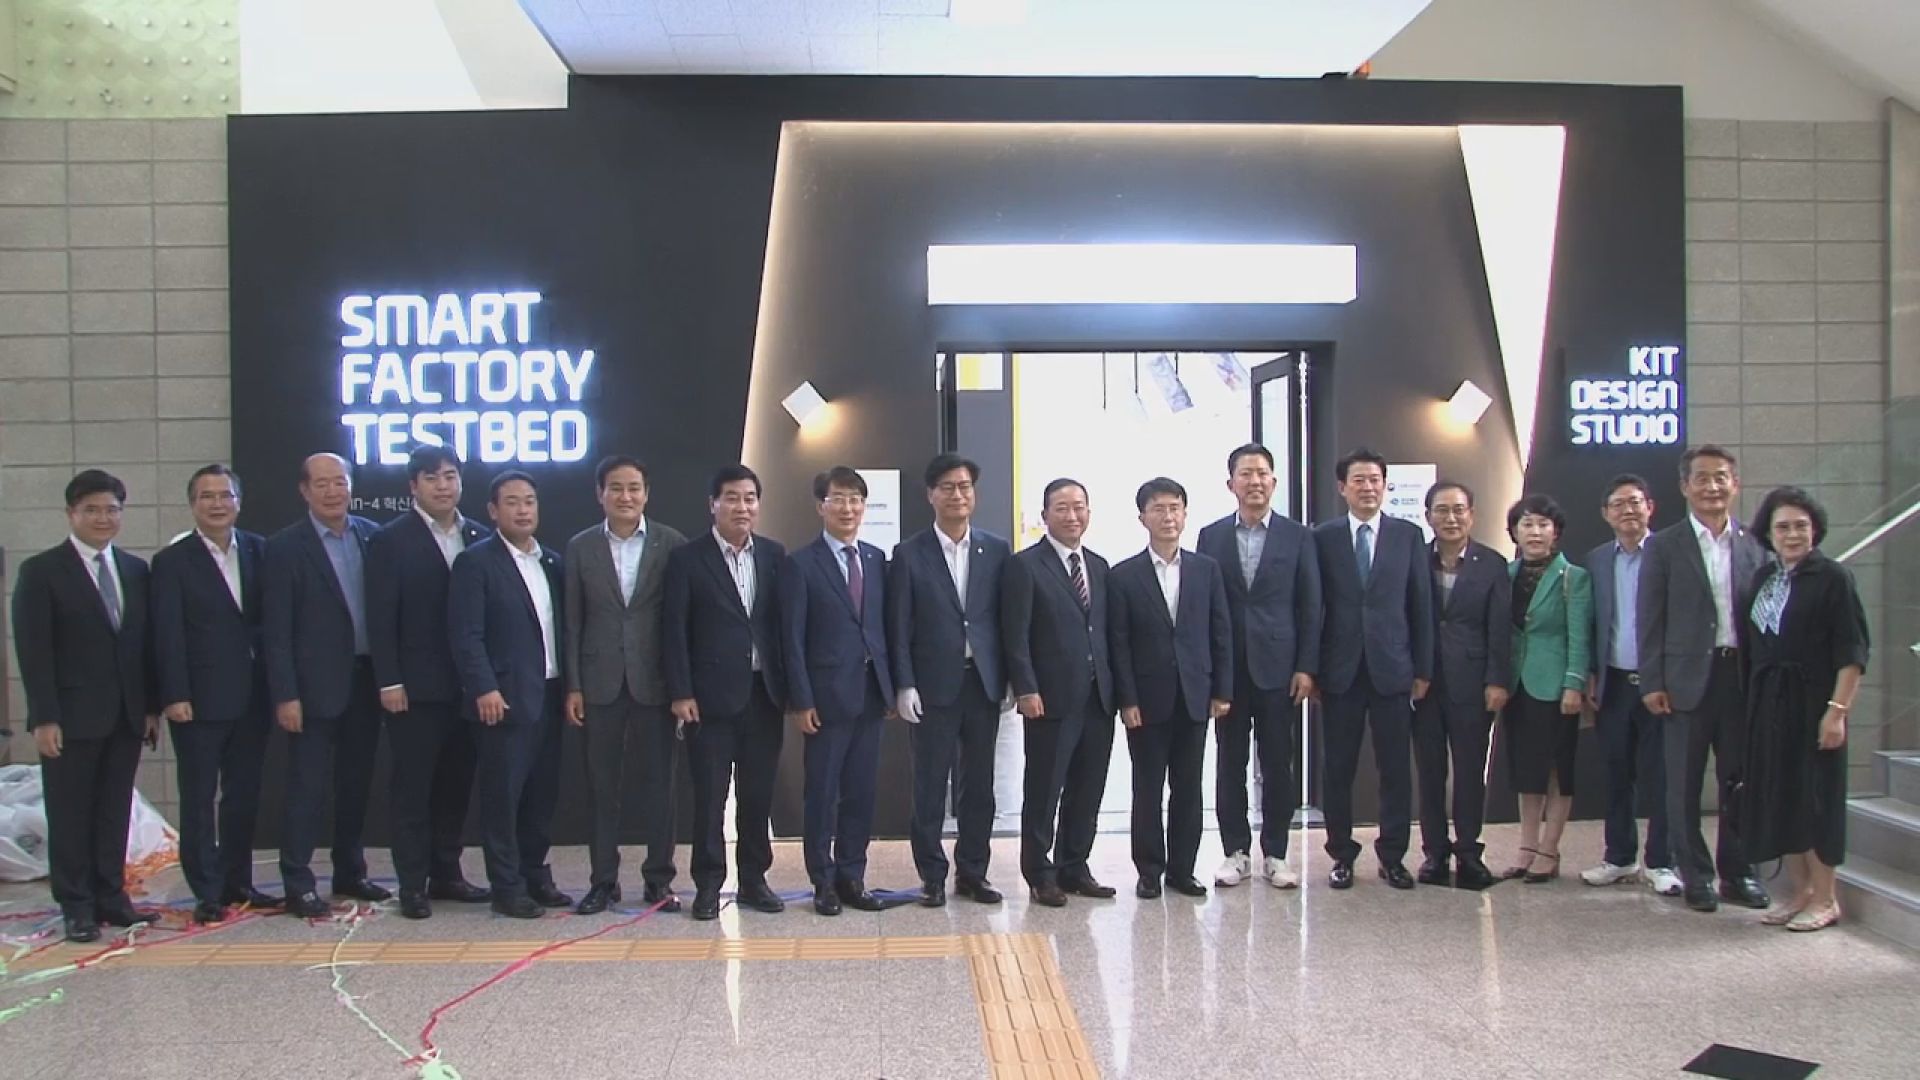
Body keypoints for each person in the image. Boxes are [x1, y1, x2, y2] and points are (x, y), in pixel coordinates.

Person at [11, 470, 157, 943]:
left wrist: (149, 707)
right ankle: (76, 905)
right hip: (70, 718)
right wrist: (44, 716)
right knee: (70, 813)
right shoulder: (42, 571)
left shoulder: (134, 570)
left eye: (111, 509)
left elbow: (143, 646)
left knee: (114, 810)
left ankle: (111, 896)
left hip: (126, 714)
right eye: (91, 509)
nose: (103, 518)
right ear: (71, 514)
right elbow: (34, 650)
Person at [1638, 445, 1771, 913]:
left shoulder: (1755, 544)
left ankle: (1739, 873)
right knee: (1683, 785)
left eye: (1721, 478)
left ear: (1735, 484)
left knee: (1740, 782)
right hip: (1684, 681)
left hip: (1741, 678)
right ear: (1684, 487)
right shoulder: (1664, 545)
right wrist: (1652, 680)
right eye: (1702, 478)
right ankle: (1696, 875)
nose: (1712, 487)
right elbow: (1649, 617)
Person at [365, 446, 491, 920]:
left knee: (456, 786)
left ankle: (447, 873)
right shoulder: (390, 540)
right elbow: (380, 618)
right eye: (433, 477)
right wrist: (389, 681)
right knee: (413, 789)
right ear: (413, 486)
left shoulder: (478, 535)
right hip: (414, 689)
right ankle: (412, 883)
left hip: (467, 688)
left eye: (451, 476)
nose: (443, 485)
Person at [150, 464, 280, 924]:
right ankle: (206, 890)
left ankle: (237, 882)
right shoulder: (172, 561)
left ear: (239, 502)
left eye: (226, 495)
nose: (218, 504)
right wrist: (174, 694)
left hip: (253, 697)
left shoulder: (260, 550)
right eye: (207, 496)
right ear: (193, 504)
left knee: (243, 795)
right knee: (199, 798)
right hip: (197, 701)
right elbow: (166, 634)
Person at [263, 453, 389, 918]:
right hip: (312, 689)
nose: (333, 491)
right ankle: (298, 882)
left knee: (355, 785)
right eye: (322, 483)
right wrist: (286, 694)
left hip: (366, 680)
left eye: (340, 482)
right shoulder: (284, 547)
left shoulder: (372, 536)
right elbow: (276, 630)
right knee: (307, 788)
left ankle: (350, 872)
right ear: (304, 490)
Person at [663, 465, 790, 920]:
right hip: (708, 699)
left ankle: (754, 880)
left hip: (763, 695)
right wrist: (680, 691)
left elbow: (782, 627)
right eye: (732, 498)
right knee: (710, 798)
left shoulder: (774, 555)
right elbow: (674, 630)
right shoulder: (687, 559)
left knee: (757, 796)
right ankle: (708, 884)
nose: (742, 507)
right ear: (713, 504)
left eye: (750, 498)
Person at [1740, 487, 1868, 933]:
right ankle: (1801, 892)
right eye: (1783, 527)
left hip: (1814, 703)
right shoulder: (1764, 577)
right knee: (1782, 797)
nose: (1792, 534)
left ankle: (1827, 897)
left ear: (1815, 531)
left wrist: (1837, 712)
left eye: (1801, 526)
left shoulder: (1833, 578)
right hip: (1769, 704)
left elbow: (1852, 652)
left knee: (1816, 800)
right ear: (1769, 533)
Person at [563, 456, 687, 916]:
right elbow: (572, 622)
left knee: (661, 786)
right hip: (599, 683)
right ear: (600, 494)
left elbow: (680, 621)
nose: (625, 496)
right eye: (615, 488)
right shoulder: (581, 547)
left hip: (655, 682)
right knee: (601, 787)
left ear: (646, 493)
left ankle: (659, 880)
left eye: (634, 488)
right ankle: (603, 881)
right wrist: (574, 686)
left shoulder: (671, 543)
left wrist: (681, 686)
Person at [887, 454, 1011, 907]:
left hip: (982, 684)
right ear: (931, 495)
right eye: (947, 487)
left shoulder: (996, 550)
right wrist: (904, 684)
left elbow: (1005, 620)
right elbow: (898, 625)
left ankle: (973, 872)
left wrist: (1010, 678)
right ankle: (932, 875)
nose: (957, 495)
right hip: (932, 686)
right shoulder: (909, 553)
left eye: (964, 487)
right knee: (929, 785)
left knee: (978, 787)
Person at [448, 471, 572, 919]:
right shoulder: (475, 562)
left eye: (530, 501)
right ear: (493, 511)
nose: (523, 510)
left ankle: (536, 875)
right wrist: (483, 686)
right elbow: (466, 634)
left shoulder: (552, 562)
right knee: (502, 798)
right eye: (513, 502)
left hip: (550, 694)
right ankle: (507, 886)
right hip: (502, 699)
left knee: (541, 796)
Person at [1197, 443, 1320, 890]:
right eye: (1245, 474)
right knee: (1229, 762)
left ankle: (1277, 853)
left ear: (1274, 481)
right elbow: (1204, 606)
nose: (1254, 481)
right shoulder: (1211, 536)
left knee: (1277, 763)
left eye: (1262, 473)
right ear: (1230, 483)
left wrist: (1306, 666)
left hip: (1279, 668)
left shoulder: (1298, 536)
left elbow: (1311, 604)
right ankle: (1236, 852)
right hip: (1228, 670)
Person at [1312, 449, 1433, 890]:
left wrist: (1423, 668)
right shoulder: (1322, 537)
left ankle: (1393, 856)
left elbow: (1420, 604)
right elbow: (1313, 607)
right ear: (1342, 487)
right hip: (1339, 671)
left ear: (1385, 486)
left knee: (1395, 769)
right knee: (1337, 769)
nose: (1368, 487)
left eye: (1375, 480)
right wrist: (1312, 669)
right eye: (1359, 480)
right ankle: (1341, 855)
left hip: (1392, 668)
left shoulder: (1407, 536)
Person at [1108, 478, 1232, 899]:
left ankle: (1183, 869)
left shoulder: (1206, 569)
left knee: (1189, 786)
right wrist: (1126, 699)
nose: (1167, 516)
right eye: (1158, 508)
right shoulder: (1124, 576)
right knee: (1147, 788)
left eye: (1174, 507)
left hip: (1195, 695)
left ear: (1185, 514)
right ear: (1142, 517)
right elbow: (1119, 643)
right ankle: (1149, 871)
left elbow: (1220, 632)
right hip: (1146, 700)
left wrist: (1222, 690)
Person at [781, 466, 895, 916]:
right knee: (823, 793)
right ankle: (822, 881)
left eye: (856, 499)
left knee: (861, 792)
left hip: (870, 695)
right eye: (839, 499)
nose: (848, 508)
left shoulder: (876, 559)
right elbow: (791, 639)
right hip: (824, 698)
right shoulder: (800, 564)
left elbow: (883, 629)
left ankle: (852, 876)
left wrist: (889, 690)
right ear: (820, 506)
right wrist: (801, 699)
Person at [1001, 478, 1117, 907]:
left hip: (1098, 697)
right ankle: (1039, 872)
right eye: (1062, 508)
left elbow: (1104, 632)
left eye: (1079, 507)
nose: (1072, 516)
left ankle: (1075, 866)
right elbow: (1015, 634)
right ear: (1045, 515)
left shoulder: (1099, 567)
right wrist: (1026, 688)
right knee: (1044, 788)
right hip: (1049, 698)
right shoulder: (1025, 566)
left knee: (1088, 788)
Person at [1579, 475, 1680, 896]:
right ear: (1606, 514)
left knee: (1662, 775)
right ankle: (1619, 857)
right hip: (1614, 682)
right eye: (1618, 504)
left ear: (1650, 507)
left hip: (1661, 684)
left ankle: (1661, 862)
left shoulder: (1670, 554)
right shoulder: (1598, 560)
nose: (1628, 510)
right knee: (1616, 773)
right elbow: (1591, 621)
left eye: (1635, 502)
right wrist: (1590, 673)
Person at [1412, 481, 1511, 890]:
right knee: (1429, 773)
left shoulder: (1492, 563)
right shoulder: (1415, 559)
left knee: (1470, 772)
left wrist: (1497, 680)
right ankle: (1435, 853)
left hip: (1473, 684)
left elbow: (1500, 628)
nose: (1450, 518)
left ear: (1472, 515)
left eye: (1458, 510)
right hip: (1424, 683)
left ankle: (1469, 853)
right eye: (1441, 510)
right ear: (1428, 516)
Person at [1500, 494, 1591, 884]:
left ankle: (1549, 849)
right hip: (1516, 685)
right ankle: (1526, 846)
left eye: (1542, 524)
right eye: (1526, 524)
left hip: (1555, 686)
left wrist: (1574, 683)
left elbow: (1579, 636)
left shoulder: (1573, 577)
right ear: (1514, 532)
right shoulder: (1505, 574)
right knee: (1526, 769)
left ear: (1556, 532)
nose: (1534, 532)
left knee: (1556, 768)